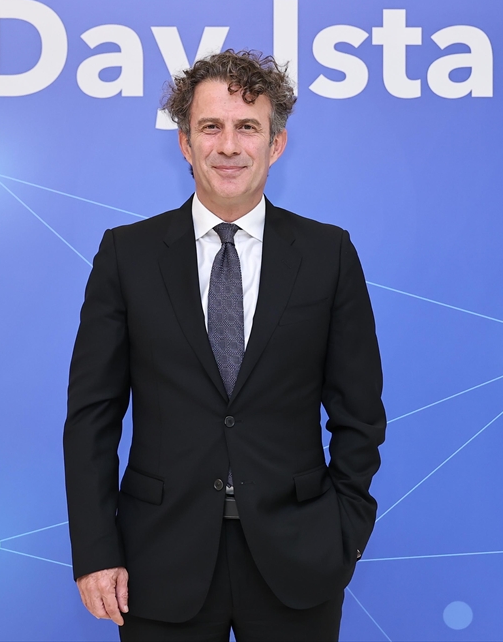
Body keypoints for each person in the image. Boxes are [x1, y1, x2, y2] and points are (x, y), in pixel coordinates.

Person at [63, 50, 385, 641]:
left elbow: (359, 414)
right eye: (211, 126)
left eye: (248, 127)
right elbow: (92, 417)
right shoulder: (126, 256)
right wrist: (95, 550)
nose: (229, 146)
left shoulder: (329, 255)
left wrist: (343, 536)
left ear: (276, 143)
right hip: (158, 559)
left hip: (298, 559)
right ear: (185, 143)